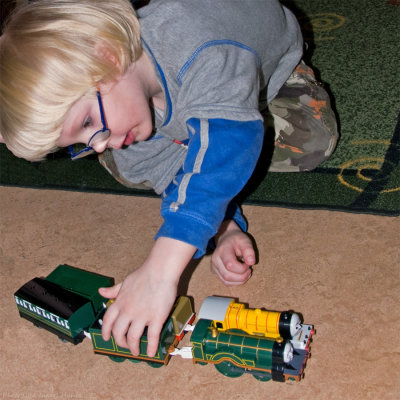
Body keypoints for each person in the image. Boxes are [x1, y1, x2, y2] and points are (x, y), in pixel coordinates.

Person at [0, 0, 338, 357]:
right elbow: (166, 171)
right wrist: (224, 227)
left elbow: (230, 142)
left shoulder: (202, 51)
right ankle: (199, 137)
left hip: (265, 67)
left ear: (109, 57)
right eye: (81, 142)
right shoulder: (118, 118)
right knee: (130, 164)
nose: (98, 144)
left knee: (310, 140)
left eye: (87, 124)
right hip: (182, 99)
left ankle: (212, 129)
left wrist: (160, 271)